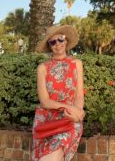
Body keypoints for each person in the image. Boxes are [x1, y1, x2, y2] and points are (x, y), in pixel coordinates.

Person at [32, 25, 85, 161]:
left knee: (53, 155)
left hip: (69, 118)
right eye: (53, 42)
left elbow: (79, 95)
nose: (58, 44)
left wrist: (77, 113)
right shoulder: (42, 68)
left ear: (66, 41)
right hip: (46, 120)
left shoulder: (77, 63)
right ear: (49, 46)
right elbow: (45, 101)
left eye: (60, 39)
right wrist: (70, 108)